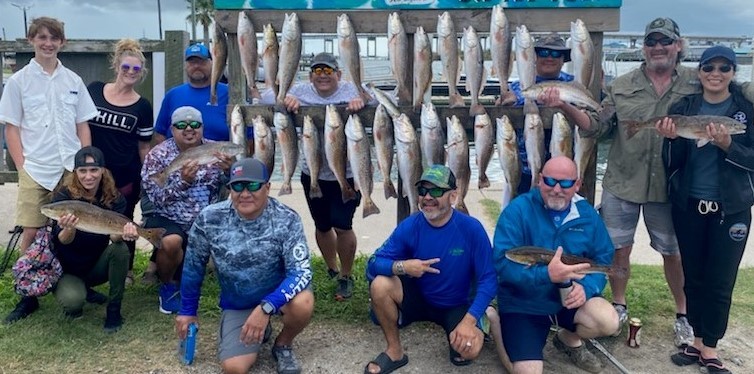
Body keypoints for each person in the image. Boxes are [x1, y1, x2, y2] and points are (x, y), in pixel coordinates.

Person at [576, 17, 695, 347]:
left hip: (669, 186)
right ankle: (620, 304)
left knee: (673, 252)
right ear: (643, 48)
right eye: (652, 42)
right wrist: (567, 106)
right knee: (619, 250)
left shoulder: (696, 82)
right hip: (622, 181)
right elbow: (598, 127)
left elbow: (728, 98)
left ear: (678, 45)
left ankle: (684, 314)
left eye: (665, 41)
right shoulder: (622, 84)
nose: (658, 48)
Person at [657, 46, 754, 374]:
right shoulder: (683, 107)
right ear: (698, 71)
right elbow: (669, 161)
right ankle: (696, 341)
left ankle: (711, 347)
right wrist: (670, 139)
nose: (716, 73)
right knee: (694, 279)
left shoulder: (746, 110)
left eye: (724, 67)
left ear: (733, 72)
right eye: (708, 66)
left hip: (732, 209)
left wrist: (728, 145)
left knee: (720, 280)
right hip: (689, 205)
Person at [176, 158, 313, 374]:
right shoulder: (209, 218)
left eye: (253, 185)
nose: (245, 193)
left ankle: (283, 344)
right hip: (238, 302)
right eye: (238, 186)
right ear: (230, 188)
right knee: (234, 368)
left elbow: (302, 272)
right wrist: (187, 311)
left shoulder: (287, 219)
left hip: (279, 297)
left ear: (267, 187)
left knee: (303, 302)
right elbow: (193, 266)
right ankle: (257, 327)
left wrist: (267, 307)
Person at [261, 52, 376, 301]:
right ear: (310, 75)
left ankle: (346, 275)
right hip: (312, 173)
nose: (322, 76)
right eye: (317, 71)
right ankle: (332, 268)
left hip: (348, 174)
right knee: (322, 225)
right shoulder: (301, 90)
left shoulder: (352, 88)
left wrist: (363, 98)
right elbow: (266, 97)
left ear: (339, 74)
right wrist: (286, 98)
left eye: (328, 71)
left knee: (342, 225)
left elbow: (384, 99)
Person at [492, 156, 619, 374]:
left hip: (566, 299)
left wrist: (587, 289)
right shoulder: (517, 210)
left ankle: (568, 340)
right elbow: (503, 264)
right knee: (527, 372)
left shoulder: (587, 214)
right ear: (540, 180)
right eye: (550, 181)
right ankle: (496, 325)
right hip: (524, 303)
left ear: (577, 184)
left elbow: (603, 259)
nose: (557, 189)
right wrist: (546, 276)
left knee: (607, 321)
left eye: (566, 183)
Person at [364, 165, 497, 374]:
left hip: (457, 304)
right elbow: (372, 264)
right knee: (380, 284)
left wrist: (469, 321)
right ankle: (395, 352)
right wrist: (402, 266)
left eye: (436, 191)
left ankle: (483, 319)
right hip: (421, 299)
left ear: (453, 196)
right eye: (423, 191)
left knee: (467, 352)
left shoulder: (471, 229)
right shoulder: (410, 226)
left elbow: (489, 280)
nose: (427, 197)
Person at [4, 147, 139, 330]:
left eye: (94, 170)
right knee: (73, 304)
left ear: (103, 171)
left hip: (96, 265)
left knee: (120, 249)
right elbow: (63, 240)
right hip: (68, 268)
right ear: (75, 172)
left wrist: (124, 233)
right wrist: (69, 228)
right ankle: (78, 290)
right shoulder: (64, 195)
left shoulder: (115, 198)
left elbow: (114, 238)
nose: (88, 176)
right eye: (82, 171)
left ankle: (114, 309)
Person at [0, 16, 97, 255]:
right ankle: (27, 284)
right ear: (31, 39)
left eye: (54, 38)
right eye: (42, 37)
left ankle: (67, 278)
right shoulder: (18, 82)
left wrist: (84, 163)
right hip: (35, 168)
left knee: (72, 227)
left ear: (62, 42)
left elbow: (82, 125)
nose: (48, 43)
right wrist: (22, 167)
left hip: (69, 167)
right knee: (32, 230)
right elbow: (11, 128)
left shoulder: (74, 80)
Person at [141, 106, 234, 314]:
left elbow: (235, 188)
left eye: (195, 125)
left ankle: (233, 289)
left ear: (202, 127)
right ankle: (168, 286)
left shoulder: (217, 150)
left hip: (206, 219)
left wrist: (230, 171)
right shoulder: (158, 155)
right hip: (167, 216)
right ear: (172, 129)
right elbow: (157, 200)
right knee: (171, 242)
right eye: (181, 125)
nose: (189, 129)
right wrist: (183, 182)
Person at [87, 38, 153, 285]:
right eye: (126, 67)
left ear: (142, 72)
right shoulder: (93, 90)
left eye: (136, 69)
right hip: (91, 175)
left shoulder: (143, 106)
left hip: (126, 175)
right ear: (116, 66)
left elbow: (144, 146)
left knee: (124, 222)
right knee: (91, 221)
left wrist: (148, 177)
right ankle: (90, 269)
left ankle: (125, 271)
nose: (130, 72)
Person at [501, 33, 594, 194]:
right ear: (534, 57)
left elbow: (593, 118)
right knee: (524, 216)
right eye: (543, 53)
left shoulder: (575, 85)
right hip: (526, 168)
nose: (549, 57)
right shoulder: (517, 87)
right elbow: (502, 115)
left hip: (563, 172)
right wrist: (504, 104)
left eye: (556, 53)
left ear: (563, 59)